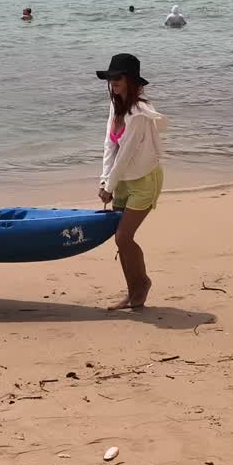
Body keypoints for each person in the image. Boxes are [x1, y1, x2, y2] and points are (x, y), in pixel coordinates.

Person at [96, 53, 168, 311]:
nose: (113, 81)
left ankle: (142, 284)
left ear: (130, 80)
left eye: (118, 77)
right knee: (120, 238)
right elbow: (109, 146)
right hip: (123, 179)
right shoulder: (115, 106)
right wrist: (105, 181)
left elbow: (125, 154)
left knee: (124, 236)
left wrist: (108, 187)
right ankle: (132, 292)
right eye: (110, 77)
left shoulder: (138, 113)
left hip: (144, 179)